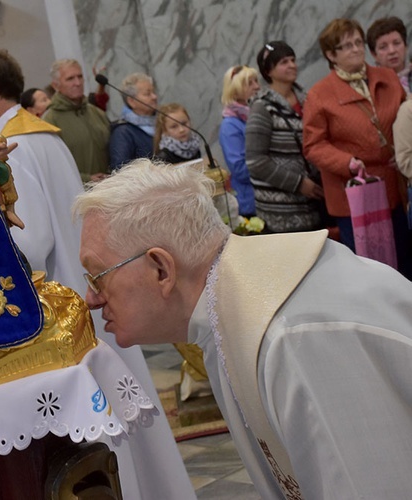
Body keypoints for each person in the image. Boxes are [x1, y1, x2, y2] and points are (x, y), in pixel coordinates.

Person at [73, 158, 412, 499]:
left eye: (97, 276)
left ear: (161, 269)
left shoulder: (291, 337)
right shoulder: (228, 316)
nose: (90, 298)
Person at [0, 46, 196, 500]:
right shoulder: (45, 133)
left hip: (65, 312)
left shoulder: (11, 145)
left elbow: (33, 239)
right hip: (89, 292)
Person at [303, 18, 409, 277]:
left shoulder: (388, 78)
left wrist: (402, 149)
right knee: (367, 270)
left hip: (393, 187)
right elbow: (313, 145)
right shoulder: (320, 94)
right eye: (346, 45)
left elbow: (405, 118)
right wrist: (346, 162)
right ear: (331, 54)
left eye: (358, 42)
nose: (355, 49)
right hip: (353, 195)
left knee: (403, 262)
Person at [246, 41, 324, 233]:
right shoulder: (262, 108)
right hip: (281, 211)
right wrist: (298, 183)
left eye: (293, 60)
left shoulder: (308, 100)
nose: (292, 65)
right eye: (283, 62)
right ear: (269, 71)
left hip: (314, 204)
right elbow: (256, 162)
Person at [41, 59, 110, 182]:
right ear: (56, 85)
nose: (77, 83)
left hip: (110, 190)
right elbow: (52, 167)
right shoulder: (49, 121)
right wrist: (86, 179)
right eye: (70, 79)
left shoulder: (97, 113)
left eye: (80, 77)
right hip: (77, 194)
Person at [219, 64, 259, 217]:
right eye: (249, 83)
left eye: (256, 81)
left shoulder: (256, 114)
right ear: (234, 89)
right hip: (252, 201)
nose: (256, 87)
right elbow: (240, 169)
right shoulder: (230, 125)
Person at [108, 72, 158, 171]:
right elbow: (120, 169)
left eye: (154, 92)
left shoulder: (160, 122)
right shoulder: (123, 133)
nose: (154, 97)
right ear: (132, 101)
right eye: (147, 94)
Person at [367, 16, 411, 94]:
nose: (392, 51)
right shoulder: (370, 85)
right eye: (383, 47)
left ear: (406, 46)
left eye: (396, 43)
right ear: (374, 54)